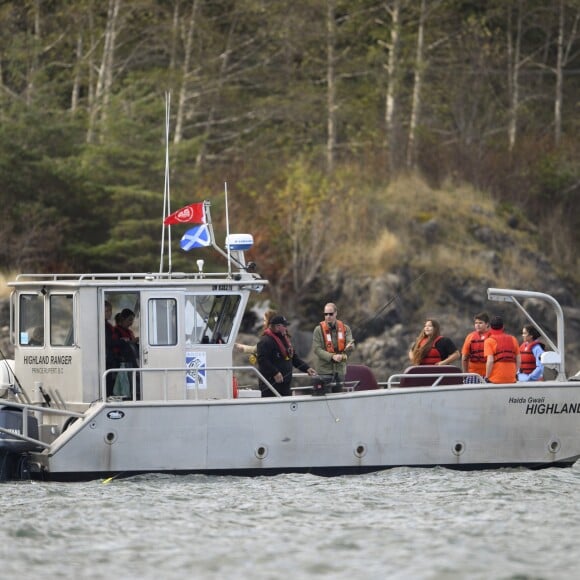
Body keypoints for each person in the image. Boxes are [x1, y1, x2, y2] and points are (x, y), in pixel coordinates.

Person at [256, 314, 317, 397]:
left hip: (285, 385)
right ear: (277, 326)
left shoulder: (285, 340)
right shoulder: (265, 341)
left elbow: (294, 358)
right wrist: (275, 373)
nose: (286, 328)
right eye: (284, 326)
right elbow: (262, 361)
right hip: (271, 385)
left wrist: (307, 368)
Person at [312, 303, 355, 393]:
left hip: (340, 371)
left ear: (336, 313)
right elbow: (317, 349)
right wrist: (332, 357)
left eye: (331, 314)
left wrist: (348, 349)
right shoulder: (318, 330)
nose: (328, 316)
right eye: (326, 314)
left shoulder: (346, 328)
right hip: (324, 372)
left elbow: (351, 345)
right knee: (324, 400)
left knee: (339, 399)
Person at [483, 315, 520, 384]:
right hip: (512, 379)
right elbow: (519, 359)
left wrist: (487, 376)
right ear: (503, 327)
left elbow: (490, 361)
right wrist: (515, 373)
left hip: (495, 379)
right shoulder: (513, 339)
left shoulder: (489, 341)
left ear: (490, 327)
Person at [461, 312, 491, 378]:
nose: (477, 325)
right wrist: (465, 373)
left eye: (480, 323)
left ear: (487, 324)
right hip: (472, 374)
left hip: (490, 374)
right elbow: (464, 358)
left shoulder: (492, 337)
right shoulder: (470, 337)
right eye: (476, 323)